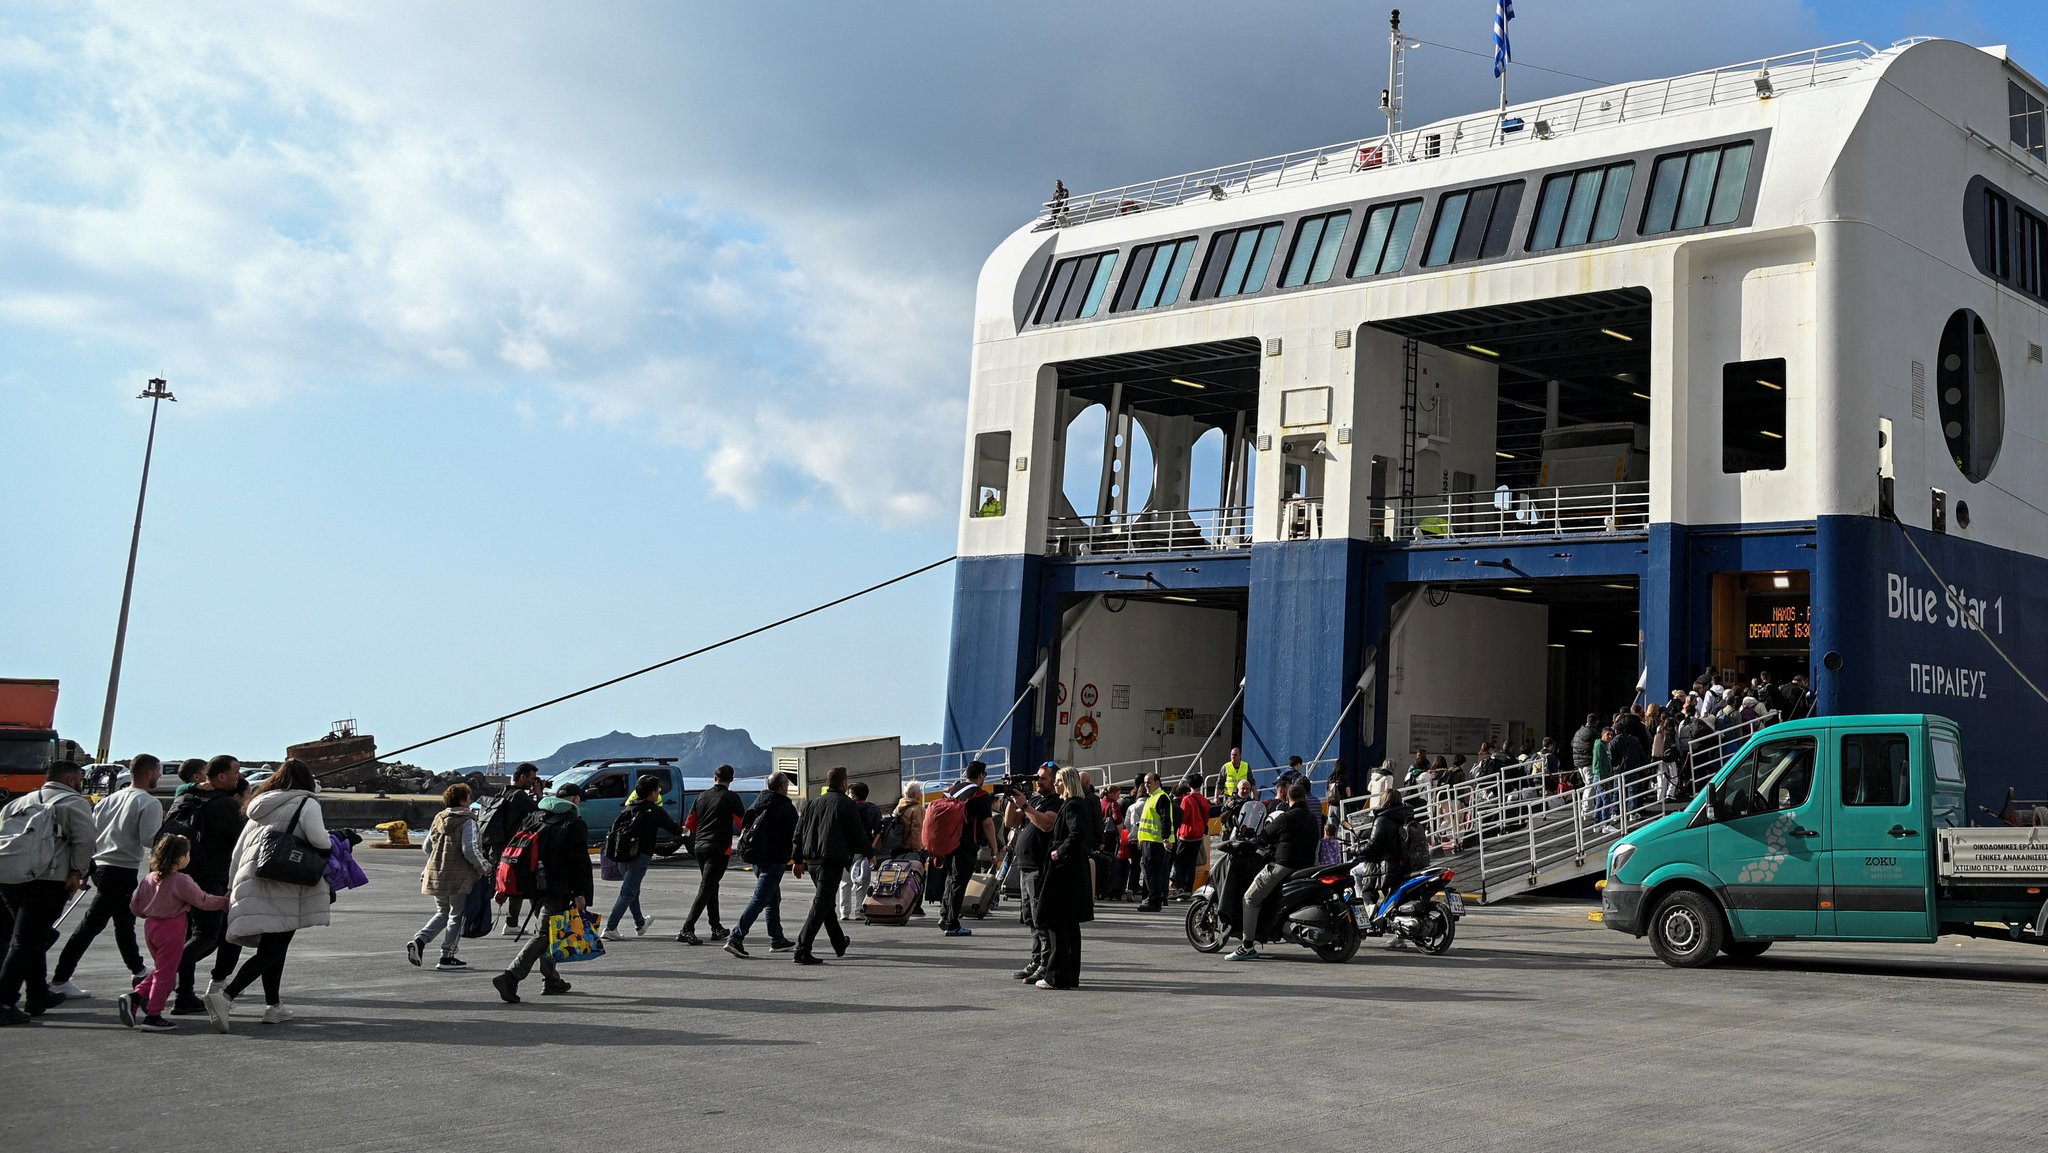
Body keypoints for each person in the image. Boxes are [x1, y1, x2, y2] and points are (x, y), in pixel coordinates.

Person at [204, 759, 328, 1031]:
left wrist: (230, 886)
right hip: (283, 883)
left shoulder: (258, 805)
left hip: (250, 881)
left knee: (273, 947)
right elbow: (320, 840)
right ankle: (225, 996)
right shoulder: (307, 803)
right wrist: (335, 841)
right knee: (274, 948)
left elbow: (238, 850)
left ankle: (274, 1006)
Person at [51, 753, 164, 999]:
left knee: (124, 922)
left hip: (100, 865)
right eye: (158, 771)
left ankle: (138, 969)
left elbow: (91, 833)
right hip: (121, 868)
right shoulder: (148, 803)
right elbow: (149, 838)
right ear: (149, 772)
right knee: (92, 924)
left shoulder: (109, 799)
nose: (159, 776)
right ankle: (60, 978)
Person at [0, 761, 96, 1025]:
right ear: (70, 780)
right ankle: (5, 1001)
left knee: (34, 938)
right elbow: (86, 840)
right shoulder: (73, 803)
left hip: (9, 878)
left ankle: (38, 994)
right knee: (24, 942)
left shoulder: (20, 802)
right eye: (78, 779)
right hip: (47, 879)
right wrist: (77, 872)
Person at [492, 782, 593, 1003]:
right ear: (575, 800)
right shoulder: (573, 823)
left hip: (533, 886)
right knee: (545, 935)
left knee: (550, 932)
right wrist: (579, 892)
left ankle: (551, 980)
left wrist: (505, 888)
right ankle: (510, 976)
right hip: (557, 888)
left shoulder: (535, 817)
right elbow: (576, 862)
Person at [162, 756, 248, 1015]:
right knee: (207, 936)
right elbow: (243, 842)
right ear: (221, 777)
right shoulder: (225, 806)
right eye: (235, 771)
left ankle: (184, 995)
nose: (238, 775)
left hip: (181, 875)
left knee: (189, 936)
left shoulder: (186, 798)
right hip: (211, 878)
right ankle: (151, 981)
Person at [121, 834, 226, 1032]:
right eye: (188, 854)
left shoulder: (149, 878)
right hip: (172, 928)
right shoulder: (181, 880)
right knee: (166, 974)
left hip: (151, 927)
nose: (189, 858)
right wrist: (225, 902)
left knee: (163, 969)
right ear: (180, 858)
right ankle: (153, 1014)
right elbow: (202, 901)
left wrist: (148, 912)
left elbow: (135, 906)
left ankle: (136, 997)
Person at [1226, 780, 1320, 961]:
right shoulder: (1312, 819)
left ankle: (1247, 946)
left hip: (1283, 866)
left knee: (1250, 898)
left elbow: (1263, 837)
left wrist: (1253, 842)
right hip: (1307, 867)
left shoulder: (1285, 818)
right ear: (1305, 798)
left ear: (1287, 798)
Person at [790, 767, 873, 965]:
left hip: (812, 861)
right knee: (821, 904)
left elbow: (799, 833)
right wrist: (870, 853)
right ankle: (802, 948)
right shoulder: (846, 804)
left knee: (826, 903)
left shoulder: (812, 804)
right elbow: (857, 832)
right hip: (831, 860)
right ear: (844, 783)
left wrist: (797, 859)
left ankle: (838, 943)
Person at [408, 782, 489, 971]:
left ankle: (420, 940)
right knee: (456, 915)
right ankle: (447, 956)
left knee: (443, 912)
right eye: (469, 798)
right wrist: (485, 866)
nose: (470, 801)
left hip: (437, 873)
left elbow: (427, 846)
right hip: (458, 877)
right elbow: (469, 848)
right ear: (462, 800)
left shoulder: (439, 818)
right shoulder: (467, 820)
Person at [1033, 767, 1098, 989]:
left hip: (1064, 872)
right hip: (1072, 870)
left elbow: (1076, 833)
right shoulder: (1077, 804)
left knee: (1055, 921)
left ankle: (1056, 976)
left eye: (1060, 781)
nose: (1057, 784)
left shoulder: (1071, 805)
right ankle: (1069, 975)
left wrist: (1058, 851)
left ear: (1068, 782)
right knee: (1069, 925)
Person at [725, 772, 799, 957]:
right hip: (774, 859)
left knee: (772, 899)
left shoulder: (758, 802)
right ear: (782, 786)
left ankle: (777, 939)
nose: (788, 787)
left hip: (757, 857)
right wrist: (799, 860)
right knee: (760, 899)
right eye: (787, 784)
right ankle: (736, 938)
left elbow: (745, 825)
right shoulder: (785, 807)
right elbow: (797, 836)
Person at [604, 774, 683, 940]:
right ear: (653, 793)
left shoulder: (628, 808)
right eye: (658, 790)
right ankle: (610, 927)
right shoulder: (654, 810)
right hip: (640, 856)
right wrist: (686, 832)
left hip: (622, 855)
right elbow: (675, 830)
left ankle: (640, 923)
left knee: (633, 890)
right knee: (628, 892)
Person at [678, 764, 746, 945]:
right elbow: (742, 824)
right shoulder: (731, 797)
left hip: (699, 846)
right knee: (707, 887)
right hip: (718, 848)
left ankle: (716, 927)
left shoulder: (701, 796)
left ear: (714, 777)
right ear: (732, 779)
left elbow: (690, 824)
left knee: (711, 886)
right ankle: (687, 929)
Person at [1005, 763, 1059, 982]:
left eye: (1044, 778)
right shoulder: (1035, 799)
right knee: (1030, 918)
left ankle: (1046, 964)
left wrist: (1025, 806)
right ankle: (1036, 960)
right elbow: (1011, 822)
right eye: (1038, 778)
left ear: (1054, 780)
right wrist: (1012, 800)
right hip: (1025, 866)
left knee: (1041, 918)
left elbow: (1047, 824)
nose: (1039, 782)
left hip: (1039, 866)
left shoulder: (1056, 801)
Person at [937, 761, 999, 938]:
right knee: (960, 882)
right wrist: (994, 847)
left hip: (948, 842)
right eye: (984, 775)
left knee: (951, 878)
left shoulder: (951, 790)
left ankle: (945, 915)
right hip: (966, 844)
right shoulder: (980, 795)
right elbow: (987, 823)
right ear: (980, 775)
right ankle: (952, 923)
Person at [482, 763, 541, 936]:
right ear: (522, 777)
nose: (533, 782)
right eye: (532, 779)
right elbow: (540, 814)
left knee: (500, 884)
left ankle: (502, 920)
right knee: (519, 883)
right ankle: (512, 923)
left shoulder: (504, 792)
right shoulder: (521, 796)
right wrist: (539, 795)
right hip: (513, 848)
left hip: (497, 846)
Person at [837, 781, 884, 923]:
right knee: (862, 882)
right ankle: (860, 911)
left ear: (853, 795)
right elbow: (878, 831)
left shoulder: (847, 807)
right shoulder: (873, 809)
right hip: (864, 851)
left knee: (845, 882)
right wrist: (871, 850)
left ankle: (844, 912)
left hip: (846, 850)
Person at [1134, 771, 1176, 912]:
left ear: (1157, 783)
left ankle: (1154, 900)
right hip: (1149, 841)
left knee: (1154, 872)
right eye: (1145, 782)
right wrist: (1141, 838)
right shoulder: (1152, 797)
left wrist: (1165, 839)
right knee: (1148, 869)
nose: (1146, 785)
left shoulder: (1161, 797)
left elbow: (1165, 820)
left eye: (1149, 782)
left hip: (1156, 842)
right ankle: (1153, 898)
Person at [1171, 774, 1210, 897]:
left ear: (1188, 785)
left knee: (1179, 861)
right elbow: (1206, 818)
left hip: (1186, 834)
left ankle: (1180, 887)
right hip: (1198, 834)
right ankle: (1188, 889)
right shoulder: (1204, 800)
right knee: (1191, 863)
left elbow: (1183, 818)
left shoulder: (1186, 799)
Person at [892, 782, 927, 916]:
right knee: (917, 878)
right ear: (915, 794)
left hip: (897, 848)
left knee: (900, 878)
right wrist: (918, 850)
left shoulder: (899, 806)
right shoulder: (917, 809)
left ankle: (899, 901)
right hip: (911, 849)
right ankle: (915, 906)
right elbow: (917, 831)